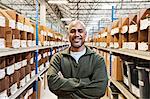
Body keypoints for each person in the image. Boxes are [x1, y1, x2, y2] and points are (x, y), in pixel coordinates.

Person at [47, 20, 108, 99]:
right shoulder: (58, 58)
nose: (76, 34)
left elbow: (99, 90)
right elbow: (52, 83)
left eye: (80, 31)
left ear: (85, 34)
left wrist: (65, 92)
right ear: (68, 35)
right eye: (73, 31)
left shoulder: (97, 59)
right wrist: (85, 82)